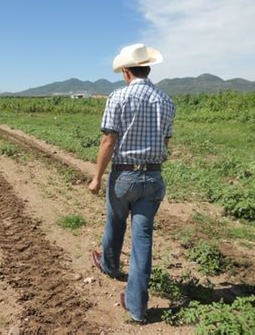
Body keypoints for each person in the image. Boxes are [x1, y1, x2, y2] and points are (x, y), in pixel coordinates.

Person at [89, 43, 176, 322]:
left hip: (124, 175)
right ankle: (137, 307)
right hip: (153, 176)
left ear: (126, 72)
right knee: (143, 239)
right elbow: (165, 141)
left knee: (115, 222)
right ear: (147, 69)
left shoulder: (117, 97)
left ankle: (110, 265)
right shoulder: (166, 101)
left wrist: (97, 177)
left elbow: (108, 140)